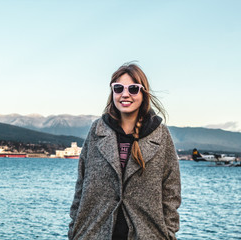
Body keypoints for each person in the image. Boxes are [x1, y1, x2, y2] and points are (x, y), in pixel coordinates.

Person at [68, 63, 181, 240]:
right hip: (93, 233)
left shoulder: (161, 135)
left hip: (148, 234)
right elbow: (81, 184)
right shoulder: (97, 131)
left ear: (143, 93)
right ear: (112, 92)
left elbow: (171, 190)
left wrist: (168, 233)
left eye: (133, 89)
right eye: (118, 88)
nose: (125, 94)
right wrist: (74, 229)